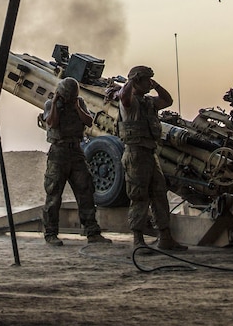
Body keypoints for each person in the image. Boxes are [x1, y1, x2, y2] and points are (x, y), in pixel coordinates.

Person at [117, 65, 187, 251]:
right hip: (135, 153)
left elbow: (167, 100)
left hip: (149, 152)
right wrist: (131, 80)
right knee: (139, 196)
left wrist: (155, 85)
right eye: (146, 80)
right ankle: (138, 240)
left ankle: (165, 237)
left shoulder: (148, 102)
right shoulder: (129, 103)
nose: (149, 83)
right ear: (138, 81)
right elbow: (124, 97)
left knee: (159, 195)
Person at [39, 77, 112, 246]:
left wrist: (77, 106)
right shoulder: (51, 104)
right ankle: (50, 233)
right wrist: (57, 101)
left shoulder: (79, 103)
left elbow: (88, 121)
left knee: (85, 190)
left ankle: (92, 231)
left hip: (76, 151)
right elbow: (51, 122)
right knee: (54, 193)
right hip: (58, 152)